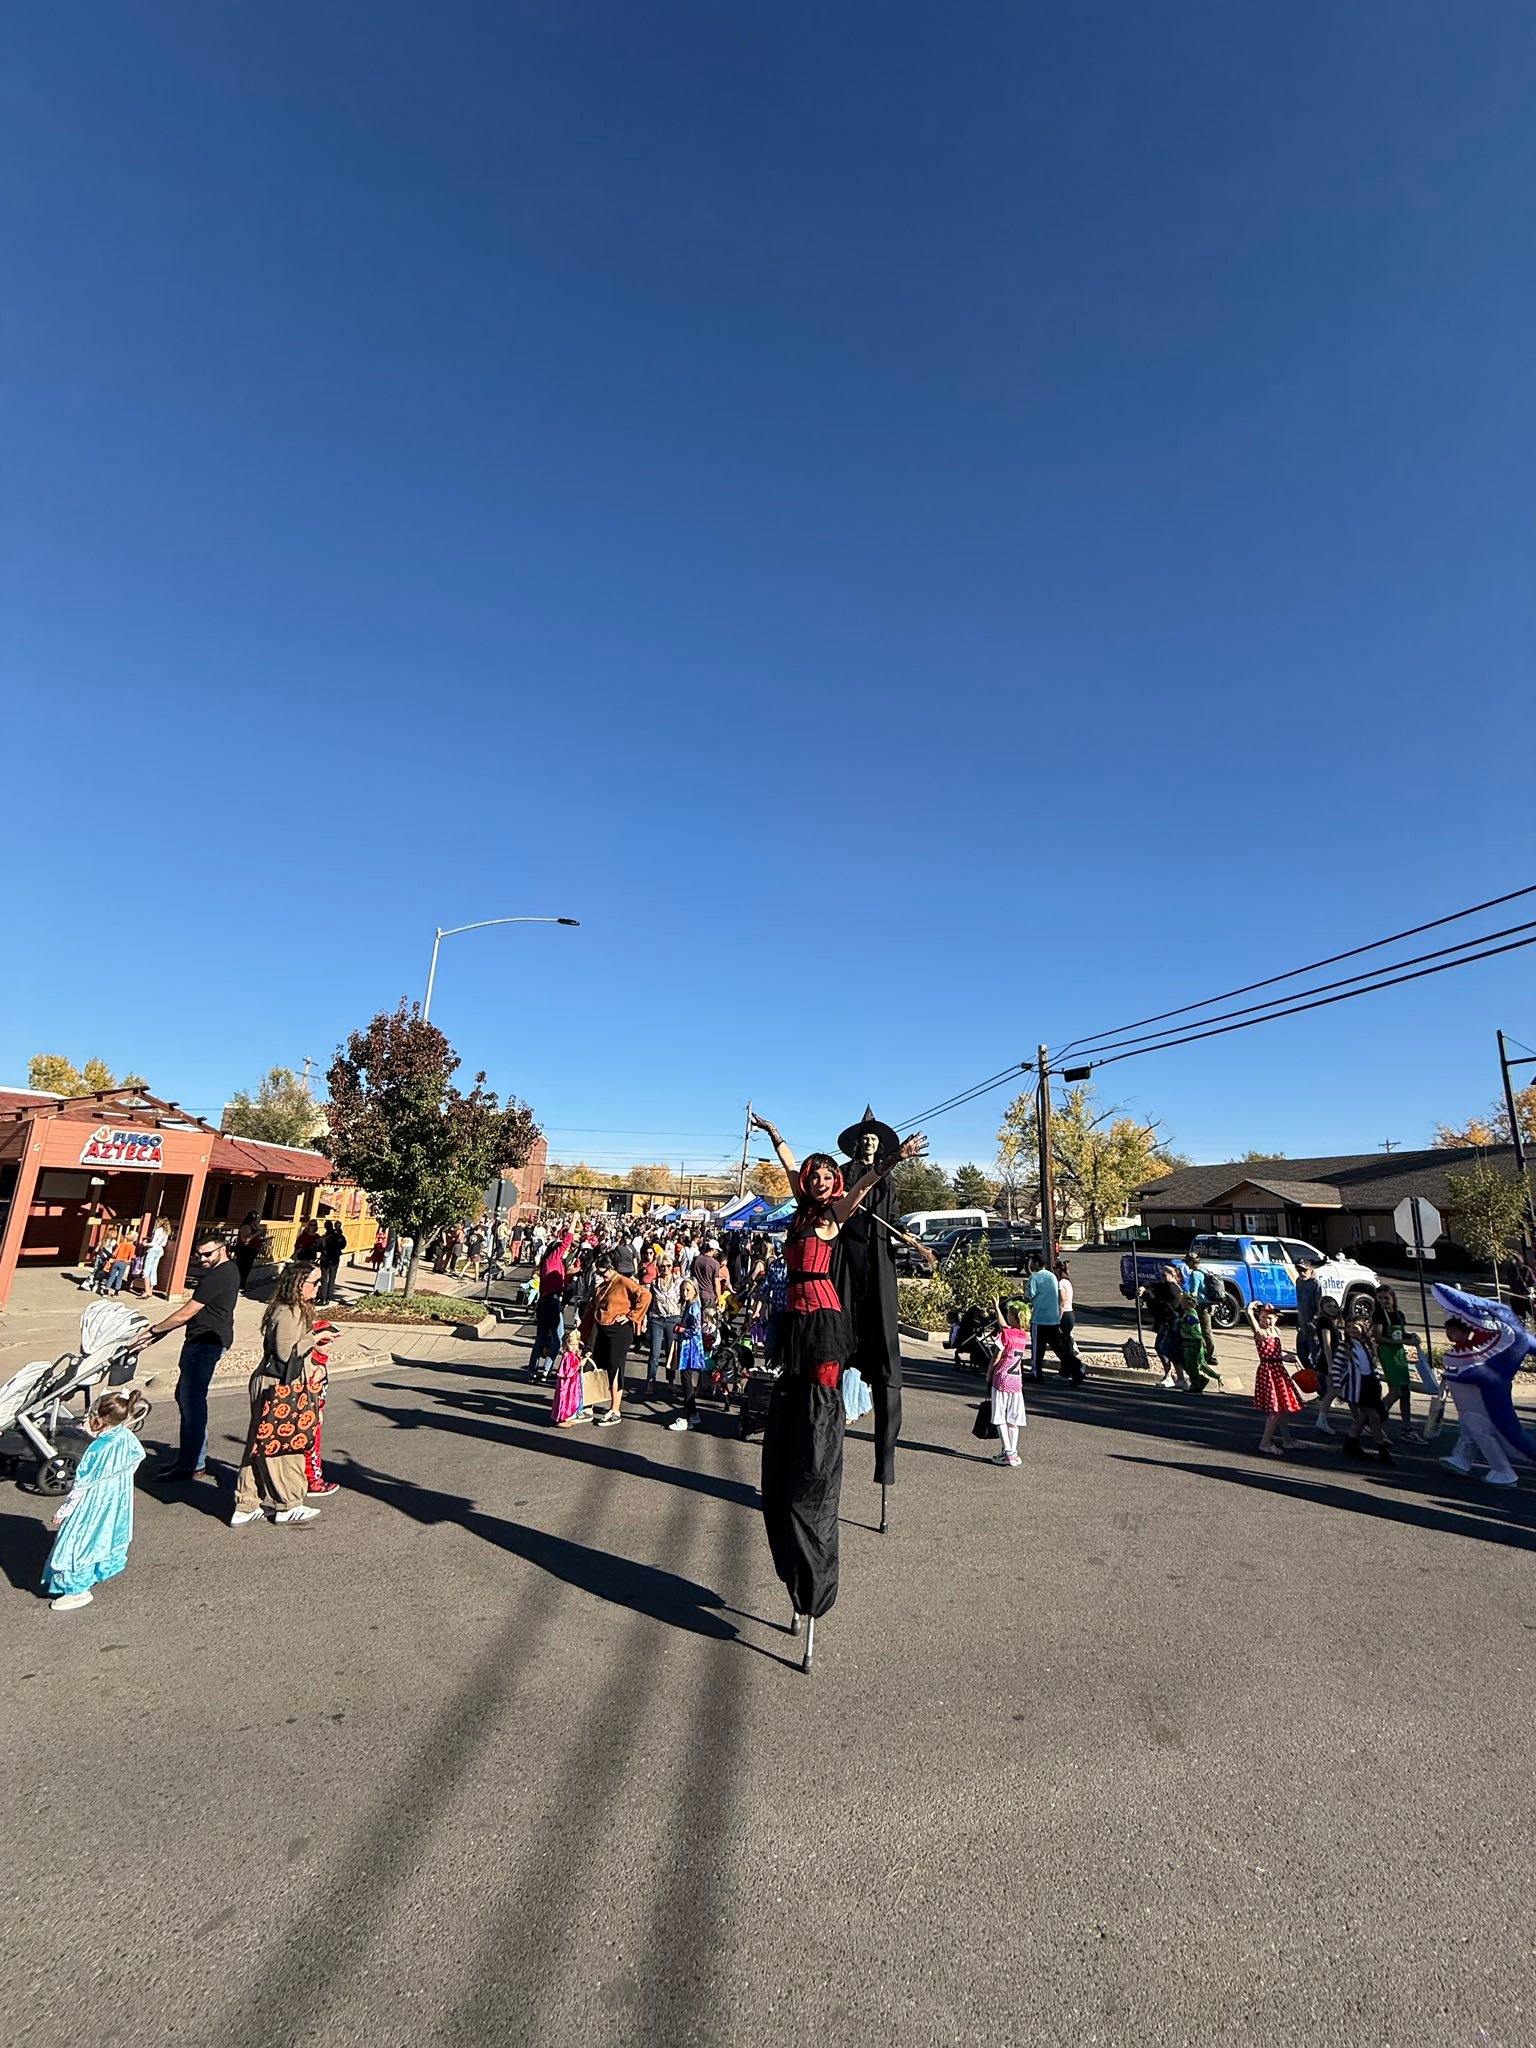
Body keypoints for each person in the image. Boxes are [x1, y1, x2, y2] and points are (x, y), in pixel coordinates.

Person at [747, 1111, 926, 1662]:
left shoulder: (832, 1218)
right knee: (791, 1411)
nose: (823, 1179)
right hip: (794, 1325)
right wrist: (775, 1134)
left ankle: (821, 1483)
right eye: (816, 1174)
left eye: (829, 1175)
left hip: (824, 1324)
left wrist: (895, 1160)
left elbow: (865, 1185)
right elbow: (786, 1164)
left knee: (818, 1423)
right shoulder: (799, 1215)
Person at [835, 1108, 906, 1520]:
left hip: (878, 1261)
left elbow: (891, 1211)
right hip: (847, 1260)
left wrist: (899, 1229)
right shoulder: (844, 1174)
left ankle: (886, 1464)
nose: (868, 1144)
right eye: (864, 1140)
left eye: (874, 1141)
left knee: (885, 1360)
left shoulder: (889, 1178)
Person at [132, 1227, 242, 1482]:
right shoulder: (226, 1270)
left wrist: (154, 1330)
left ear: (222, 1250)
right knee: (186, 1398)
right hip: (204, 1339)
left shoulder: (219, 1276)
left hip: (206, 1343)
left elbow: (186, 1313)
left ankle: (192, 1463)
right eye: (199, 1256)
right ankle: (192, 1458)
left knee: (192, 1401)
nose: (202, 1260)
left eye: (207, 1255)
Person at [230, 1261, 328, 1524]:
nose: (318, 1288)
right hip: (278, 1384)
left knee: (258, 1443)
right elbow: (286, 1352)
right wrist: (314, 1338)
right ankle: (288, 1503)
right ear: (298, 1284)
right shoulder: (289, 1312)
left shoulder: (290, 1309)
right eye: (314, 1282)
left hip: (275, 1381)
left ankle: (247, 1502)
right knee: (284, 1444)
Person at [41, 1387, 150, 1612]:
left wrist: (63, 1511)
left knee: (77, 1544)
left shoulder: (98, 1449)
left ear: (99, 1420)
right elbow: (137, 1458)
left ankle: (77, 1591)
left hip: (92, 1503)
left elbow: (81, 1485)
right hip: (115, 1500)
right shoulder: (126, 1436)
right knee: (103, 1538)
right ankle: (91, 1575)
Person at [584, 1250, 651, 1427]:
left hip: (619, 1330)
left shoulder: (623, 1281)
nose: (601, 1275)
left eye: (603, 1272)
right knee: (593, 1364)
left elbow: (645, 1295)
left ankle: (615, 1409)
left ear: (611, 1268)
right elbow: (592, 1310)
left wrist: (631, 1315)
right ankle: (588, 1407)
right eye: (598, 1272)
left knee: (615, 1367)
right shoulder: (601, 1287)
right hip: (600, 1328)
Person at [1335, 1310, 1394, 1465]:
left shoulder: (1367, 1345)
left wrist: (1377, 1381)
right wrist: (1338, 1387)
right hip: (1357, 1386)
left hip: (1370, 1384)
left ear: (1362, 1328)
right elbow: (1336, 1368)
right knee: (1373, 1417)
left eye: (1355, 1327)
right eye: (1348, 1328)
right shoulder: (1345, 1346)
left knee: (1363, 1416)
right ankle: (1382, 1451)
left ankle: (1350, 1443)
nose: (1352, 1331)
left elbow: (1372, 1366)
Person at [1247, 1301, 1302, 1455]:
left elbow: (1274, 1353)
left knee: (1283, 1408)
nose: (1267, 1320)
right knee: (1275, 1410)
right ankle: (1265, 1442)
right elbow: (1256, 1331)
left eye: (1270, 1317)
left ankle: (1287, 1440)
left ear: (1276, 1318)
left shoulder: (1276, 1331)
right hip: (1268, 1372)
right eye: (1263, 1317)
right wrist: (1250, 1313)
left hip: (1278, 1370)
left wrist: (1285, 1357)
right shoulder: (1261, 1333)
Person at [1371, 1286, 1423, 1441]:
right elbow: (1379, 1338)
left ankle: (1407, 1428)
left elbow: (1400, 1333)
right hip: (1388, 1353)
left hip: (1399, 1353)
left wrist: (1411, 1336)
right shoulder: (1379, 1315)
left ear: (1393, 1298)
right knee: (1396, 1391)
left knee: (1405, 1391)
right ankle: (1373, 1418)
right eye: (1380, 1298)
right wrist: (1404, 1341)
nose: (1383, 1301)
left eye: (1386, 1298)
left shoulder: (1399, 1315)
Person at [1025, 1255, 1084, 1382]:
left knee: (1037, 1349)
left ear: (1035, 1264)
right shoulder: (1052, 1277)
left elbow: (1030, 1296)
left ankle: (1036, 1374)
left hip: (1039, 1318)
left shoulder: (1034, 1277)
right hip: (1053, 1318)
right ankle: (1076, 1367)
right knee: (1059, 1348)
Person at [988, 1297, 1029, 1467]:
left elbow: (997, 1356)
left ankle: (1008, 1453)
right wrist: (996, 1308)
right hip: (1016, 1381)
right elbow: (1004, 1326)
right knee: (1013, 1418)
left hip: (1002, 1377)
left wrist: (989, 1372)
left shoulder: (1005, 1335)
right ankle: (1013, 1451)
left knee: (999, 1416)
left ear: (1014, 1317)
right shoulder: (1022, 1336)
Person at [529, 1228, 573, 1380]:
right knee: (558, 1339)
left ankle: (532, 1371)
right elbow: (566, 1242)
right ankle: (546, 1370)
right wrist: (573, 1221)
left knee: (540, 1338)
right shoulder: (553, 1258)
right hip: (551, 1302)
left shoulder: (547, 1263)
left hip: (544, 1302)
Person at [668, 1279, 706, 1432]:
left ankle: (686, 1418)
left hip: (691, 1347)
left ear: (694, 1291)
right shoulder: (690, 1305)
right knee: (686, 1380)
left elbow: (695, 1329)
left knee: (686, 1381)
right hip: (687, 1346)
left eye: (687, 1290)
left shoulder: (694, 1308)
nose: (684, 1293)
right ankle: (693, 1413)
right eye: (683, 1290)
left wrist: (681, 1330)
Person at [646, 1259, 682, 1397]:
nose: (665, 1269)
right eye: (662, 1266)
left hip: (673, 1318)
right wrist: (645, 1319)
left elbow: (684, 1299)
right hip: (657, 1318)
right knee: (654, 1352)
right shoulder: (654, 1283)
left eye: (668, 1266)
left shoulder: (678, 1282)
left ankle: (671, 1381)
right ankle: (650, 1381)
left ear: (672, 1267)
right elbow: (650, 1302)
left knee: (670, 1352)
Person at [551, 1327, 585, 1427]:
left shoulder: (572, 1354)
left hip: (572, 1383)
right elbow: (568, 1370)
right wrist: (580, 1363)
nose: (574, 1347)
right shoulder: (567, 1356)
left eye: (576, 1344)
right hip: (566, 1384)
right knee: (564, 1400)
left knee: (572, 1400)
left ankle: (566, 1417)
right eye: (571, 1344)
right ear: (566, 1344)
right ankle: (561, 1419)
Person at [137, 1216, 171, 1297]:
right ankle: (151, 1289)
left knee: (146, 1270)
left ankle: (147, 1290)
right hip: (160, 1250)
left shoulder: (157, 1230)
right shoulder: (166, 1231)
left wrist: (145, 1244)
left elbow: (153, 1243)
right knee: (153, 1270)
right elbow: (163, 1244)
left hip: (152, 1250)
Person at [318, 1220, 347, 1305]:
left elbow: (318, 1247)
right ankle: (328, 1297)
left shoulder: (324, 1238)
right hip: (334, 1259)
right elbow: (343, 1245)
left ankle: (323, 1297)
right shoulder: (339, 1237)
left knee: (324, 1278)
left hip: (325, 1259)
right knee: (332, 1278)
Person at [103, 1225, 137, 1297]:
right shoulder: (132, 1247)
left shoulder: (121, 1244)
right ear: (134, 1239)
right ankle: (116, 1291)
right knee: (119, 1277)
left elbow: (114, 1254)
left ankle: (106, 1290)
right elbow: (131, 1257)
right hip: (124, 1263)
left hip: (116, 1261)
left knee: (112, 1276)